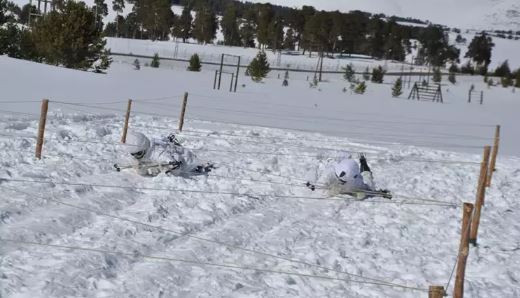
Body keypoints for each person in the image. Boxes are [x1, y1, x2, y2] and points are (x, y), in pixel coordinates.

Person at [124, 132, 213, 177]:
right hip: (175, 151)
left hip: (188, 162)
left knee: (192, 166)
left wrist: (171, 167)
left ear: (145, 147)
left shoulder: (158, 153)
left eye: (138, 154)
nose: (136, 157)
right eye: (133, 154)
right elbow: (140, 168)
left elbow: (175, 165)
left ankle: (203, 166)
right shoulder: (140, 151)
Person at [308, 154, 391, 199]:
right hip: (336, 168)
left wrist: (379, 193)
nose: (341, 182)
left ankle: (363, 163)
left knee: (367, 176)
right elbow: (317, 191)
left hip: (354, 175)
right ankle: (319, 163)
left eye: (343, 181)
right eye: (340, 180)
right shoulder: (328, 174)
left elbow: (368, 188)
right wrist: (332, 192)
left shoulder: (354, 182)